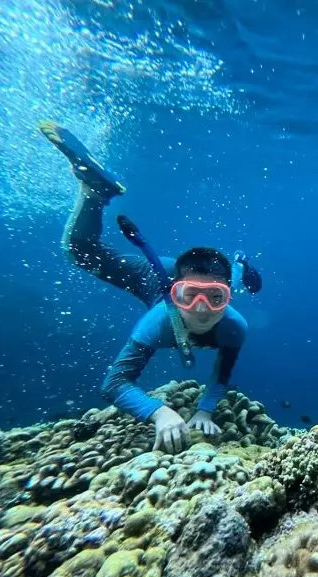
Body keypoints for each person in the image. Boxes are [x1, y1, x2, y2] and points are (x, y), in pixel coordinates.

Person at [38, 120, 263, 454]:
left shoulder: (234, 326)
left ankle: (239, 265)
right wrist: (158, 412)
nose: (201, 308)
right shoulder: (159, 319)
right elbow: (113, 384)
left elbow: (221, 373)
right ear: (175, 294)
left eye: (216, 299)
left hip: (202, 274)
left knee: (228, 276)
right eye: (190, 297)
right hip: (157, 274)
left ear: (227, 300)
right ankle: (95, 192)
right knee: (79, 252)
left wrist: (205, 409)